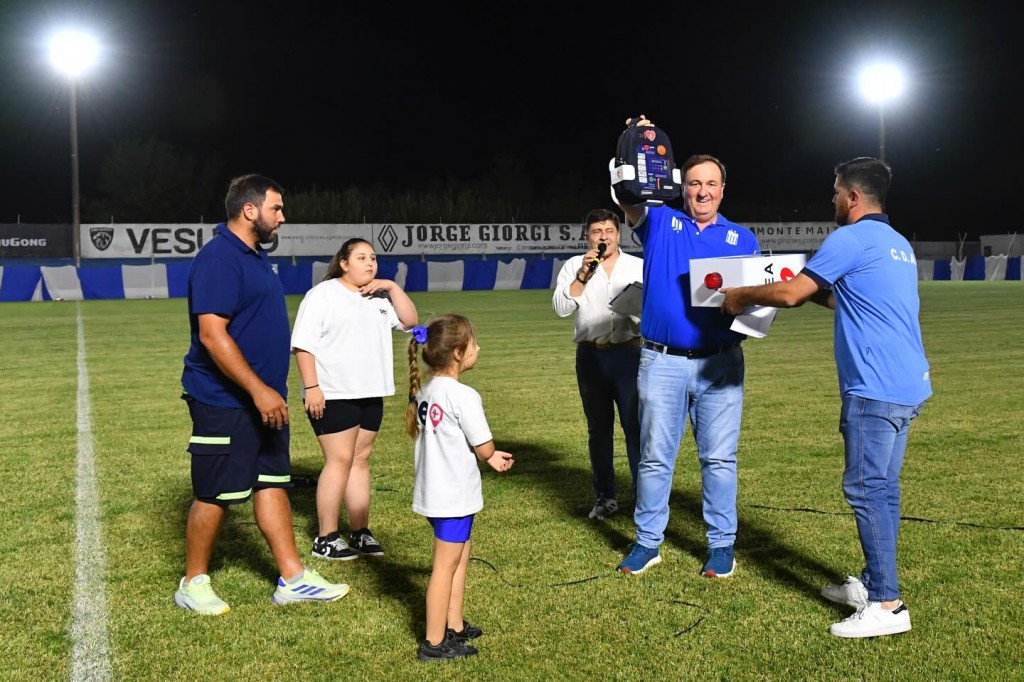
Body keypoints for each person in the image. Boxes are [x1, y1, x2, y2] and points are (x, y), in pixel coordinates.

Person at [720, 157, 930, 638]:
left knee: (867, 489)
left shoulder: (849, 238)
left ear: (853, 196)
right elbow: (839, 298)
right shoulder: (897, 243)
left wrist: (743, 295)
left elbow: (792, 295)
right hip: (908, 383)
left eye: (835, 192)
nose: (832, 199)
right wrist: (804, 279)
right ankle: (874, 584)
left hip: (874, 388)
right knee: (884, 489)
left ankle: (887, 605)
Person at [176, 173, 349, 615]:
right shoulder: (219, 257)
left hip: (265, 399)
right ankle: (192, 582)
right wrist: (257, 390)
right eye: (276, 208)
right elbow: (212, 335)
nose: (282, 217)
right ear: (249, 210)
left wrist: (271, 391)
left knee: (271, 482)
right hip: (225, 399)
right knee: (215, 492)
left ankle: (293, 578)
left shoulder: (256, 258)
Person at [614, 116, 760, 578]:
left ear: (723, 189)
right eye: (694, 183)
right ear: (682, 186)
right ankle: (647, 542)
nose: (702, 192)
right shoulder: (660, 220)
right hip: (662, 362)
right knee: (655, 458)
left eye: (711, 184)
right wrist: (637, 145)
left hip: (721, 364)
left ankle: (721, 545)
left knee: (719, 459)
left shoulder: (743, 238)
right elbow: (627, 196)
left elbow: (757, 306)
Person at [291, 238, 418, 560]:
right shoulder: (323, 295)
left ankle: (360, 533)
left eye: (373, 257)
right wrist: (312, 387)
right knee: (339, 461)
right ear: (344, 264)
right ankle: (326, 538)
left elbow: (410, 321)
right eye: (361, 258)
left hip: (371, 392)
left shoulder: (379, 296)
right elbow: (304, 345)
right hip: (333, 393)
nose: (370, 263)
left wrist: (391, 286)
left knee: (360, 460)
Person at [405, 315, 515, 661]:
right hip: (452, 497)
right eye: (473, 344)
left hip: (435, 493)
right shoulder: (463, 395)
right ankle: (434, 642)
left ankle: (453, 625)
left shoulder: (425, 390)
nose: (478, 348)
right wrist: (492, 456)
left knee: (460, 556)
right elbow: (483, 446)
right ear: (457, 352)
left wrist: (489, 457)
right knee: (444, 568)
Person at [552, 208, 644, 520]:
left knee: (636, 429)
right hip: (591, 357)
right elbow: (561, 308)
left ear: (619, 234)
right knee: (599, 431)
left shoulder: (637, 266)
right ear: (587, 236)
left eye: (609, 230)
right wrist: (582, 275)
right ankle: (606, 498)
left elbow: (654, 310)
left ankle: (643, 499)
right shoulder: (573, 266)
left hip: (630, 355)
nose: (603, 236)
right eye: (596, 231)